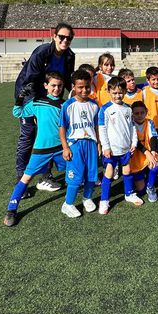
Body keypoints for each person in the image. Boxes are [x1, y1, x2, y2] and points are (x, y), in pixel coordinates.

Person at [14, 22, 75, 192]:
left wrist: (76, 97)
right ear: (54, 36)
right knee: (28, 136)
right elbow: (30, 80)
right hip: (30, 96)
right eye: (62, 37)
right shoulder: (42, 52)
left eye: (69, 38)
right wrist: (37, 107)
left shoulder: (70, 55)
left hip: (52, 97)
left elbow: (68, 81)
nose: (65, 40)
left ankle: (45, 177)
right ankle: (21, 179)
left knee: (52, 134)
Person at [3, 72, 67, 227]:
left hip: (61, 148)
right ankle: (11, 209)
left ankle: (80, 196)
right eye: (53, 85)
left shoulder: (65, 104)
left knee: (76, 171)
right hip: (41, 149)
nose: (56, 88)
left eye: (59, 86)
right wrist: (20, 97)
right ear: (46, 86)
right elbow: (17, 112)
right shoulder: (37, 102)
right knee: (26, 178)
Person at [58, 69, 100, 218]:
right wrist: (65, 147)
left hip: (91, 144)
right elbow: (62, 127)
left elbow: (96, 126)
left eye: (87, 86)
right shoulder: (68, 105)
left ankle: (87, 198)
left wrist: (99, 143)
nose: (84, 90)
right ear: (73, 87)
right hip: (75, 145)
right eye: (80, 87)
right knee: (75, 177)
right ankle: (68, 204)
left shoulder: (94, 105)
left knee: (91, 175)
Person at [98, 76, 142, 215]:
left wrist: (134, 142)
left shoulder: (128, 108)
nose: (118, 95)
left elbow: (132, 127)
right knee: (109, 173)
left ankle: (129, 194)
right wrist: (105, 147)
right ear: (109, 91)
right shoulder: (105, 109)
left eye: (120, 92)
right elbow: (102, 129)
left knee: (127, 171)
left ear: (125, 91)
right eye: (115, 93)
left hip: (125, 148)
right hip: (111, 149)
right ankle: (104, 200)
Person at [130, 101, 158, 202]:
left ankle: (151, 187)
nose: (139, 115)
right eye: (136, 113)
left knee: (154, 165)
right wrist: (147, 153)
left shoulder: (149, 122)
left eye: (142, 113)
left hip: (148, 152)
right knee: (141, 190)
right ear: (132, 114)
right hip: (136, 156)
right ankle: (150, 179)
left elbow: (153, 137)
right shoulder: (130, 124)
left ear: (146, 112)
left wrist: (153, 151)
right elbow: (136, 143)